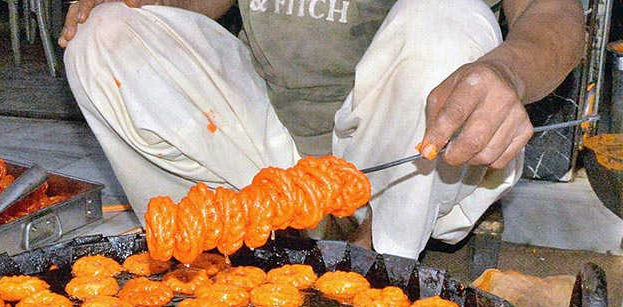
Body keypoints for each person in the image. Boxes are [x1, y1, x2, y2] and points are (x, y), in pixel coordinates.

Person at [57, 0, 584, 260]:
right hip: (267, 139)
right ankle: (214, 249)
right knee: (105, 34)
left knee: (447, 16)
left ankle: (374, 264)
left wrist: (506, 72)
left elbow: (555, 14)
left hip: (399, 155)